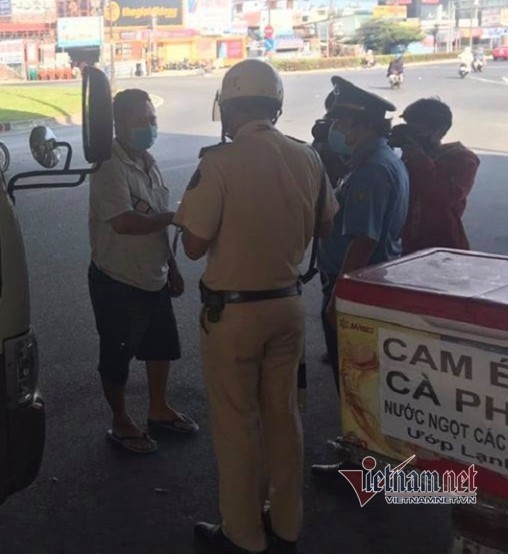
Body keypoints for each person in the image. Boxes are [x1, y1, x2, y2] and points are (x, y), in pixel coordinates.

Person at [175, 59, 337, 553]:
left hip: (234, 314)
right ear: (276, 108)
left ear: (228, 110)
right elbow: (326, 225)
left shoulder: (219, 162)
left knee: (237, 423)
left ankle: (243, 534)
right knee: (284, 416)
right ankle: (286, 523)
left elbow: (193, 246)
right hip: (288, 306)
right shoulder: (308, 157)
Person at [88, 88, 198, 456]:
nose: (149, 127)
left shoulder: (149, 161)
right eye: (140, 121)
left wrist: (173, 266)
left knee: (160, 347)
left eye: (152, 119)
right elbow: (123, 222)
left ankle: (158, 408)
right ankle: (120, 420)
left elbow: (155, 222)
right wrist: (173, 217)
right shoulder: (108, 166)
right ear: (118, 124)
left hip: (154, 275)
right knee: (116, 354)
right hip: (117, 278)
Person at [311, 77, 409, 476]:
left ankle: (362, 466)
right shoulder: (381, 160)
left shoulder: (370, 172)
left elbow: (363, 241)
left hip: (358, 289)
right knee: (366, 380)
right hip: (371, 285)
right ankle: (373, 458)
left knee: (356, 381)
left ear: (366, 125)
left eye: (342, 123)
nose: (336, 130)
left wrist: (340, 298)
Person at [396, 98, 480, 254]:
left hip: (444, 243)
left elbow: (447, 196)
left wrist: (419, 159)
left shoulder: (463, 159)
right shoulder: (413, 156)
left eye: (417, 131)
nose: (411, 136)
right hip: (410, 242)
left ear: (440, 131)